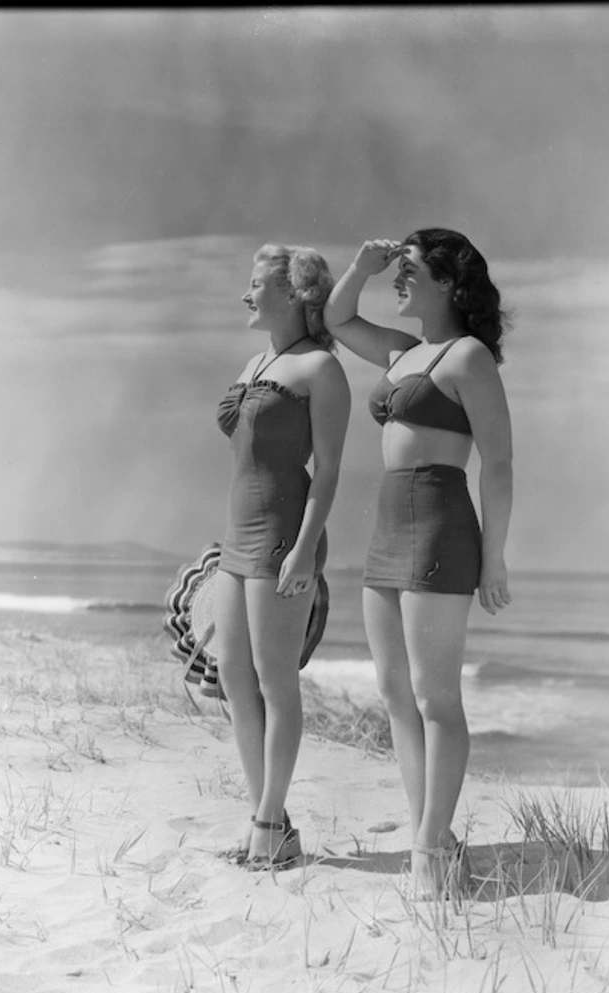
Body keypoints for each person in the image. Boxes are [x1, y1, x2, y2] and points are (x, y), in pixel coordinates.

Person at [324, 228, 513, 896]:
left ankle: (430, 849)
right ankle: (432, 832)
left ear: (447, 281)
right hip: (386, 525)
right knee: (394, 694)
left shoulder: (468, 359)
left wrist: (495, 559)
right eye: (396, 271)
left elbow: (500, 463)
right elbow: (337, 318)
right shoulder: (404, 351)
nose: (398, 281)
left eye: (409, 270)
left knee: (436, 697)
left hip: (440, 524)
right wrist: (361, 266)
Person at [214, 243, 351, 870]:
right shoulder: (255, 360)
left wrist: (303, 553)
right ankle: (265, 818)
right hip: (235, 541)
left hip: (281, 541)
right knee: (234, 681)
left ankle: (271, 823)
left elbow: (327, 474)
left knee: (275, 682)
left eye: (256, 284)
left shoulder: (321, 370)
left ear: (294, 295)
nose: (246, 294)